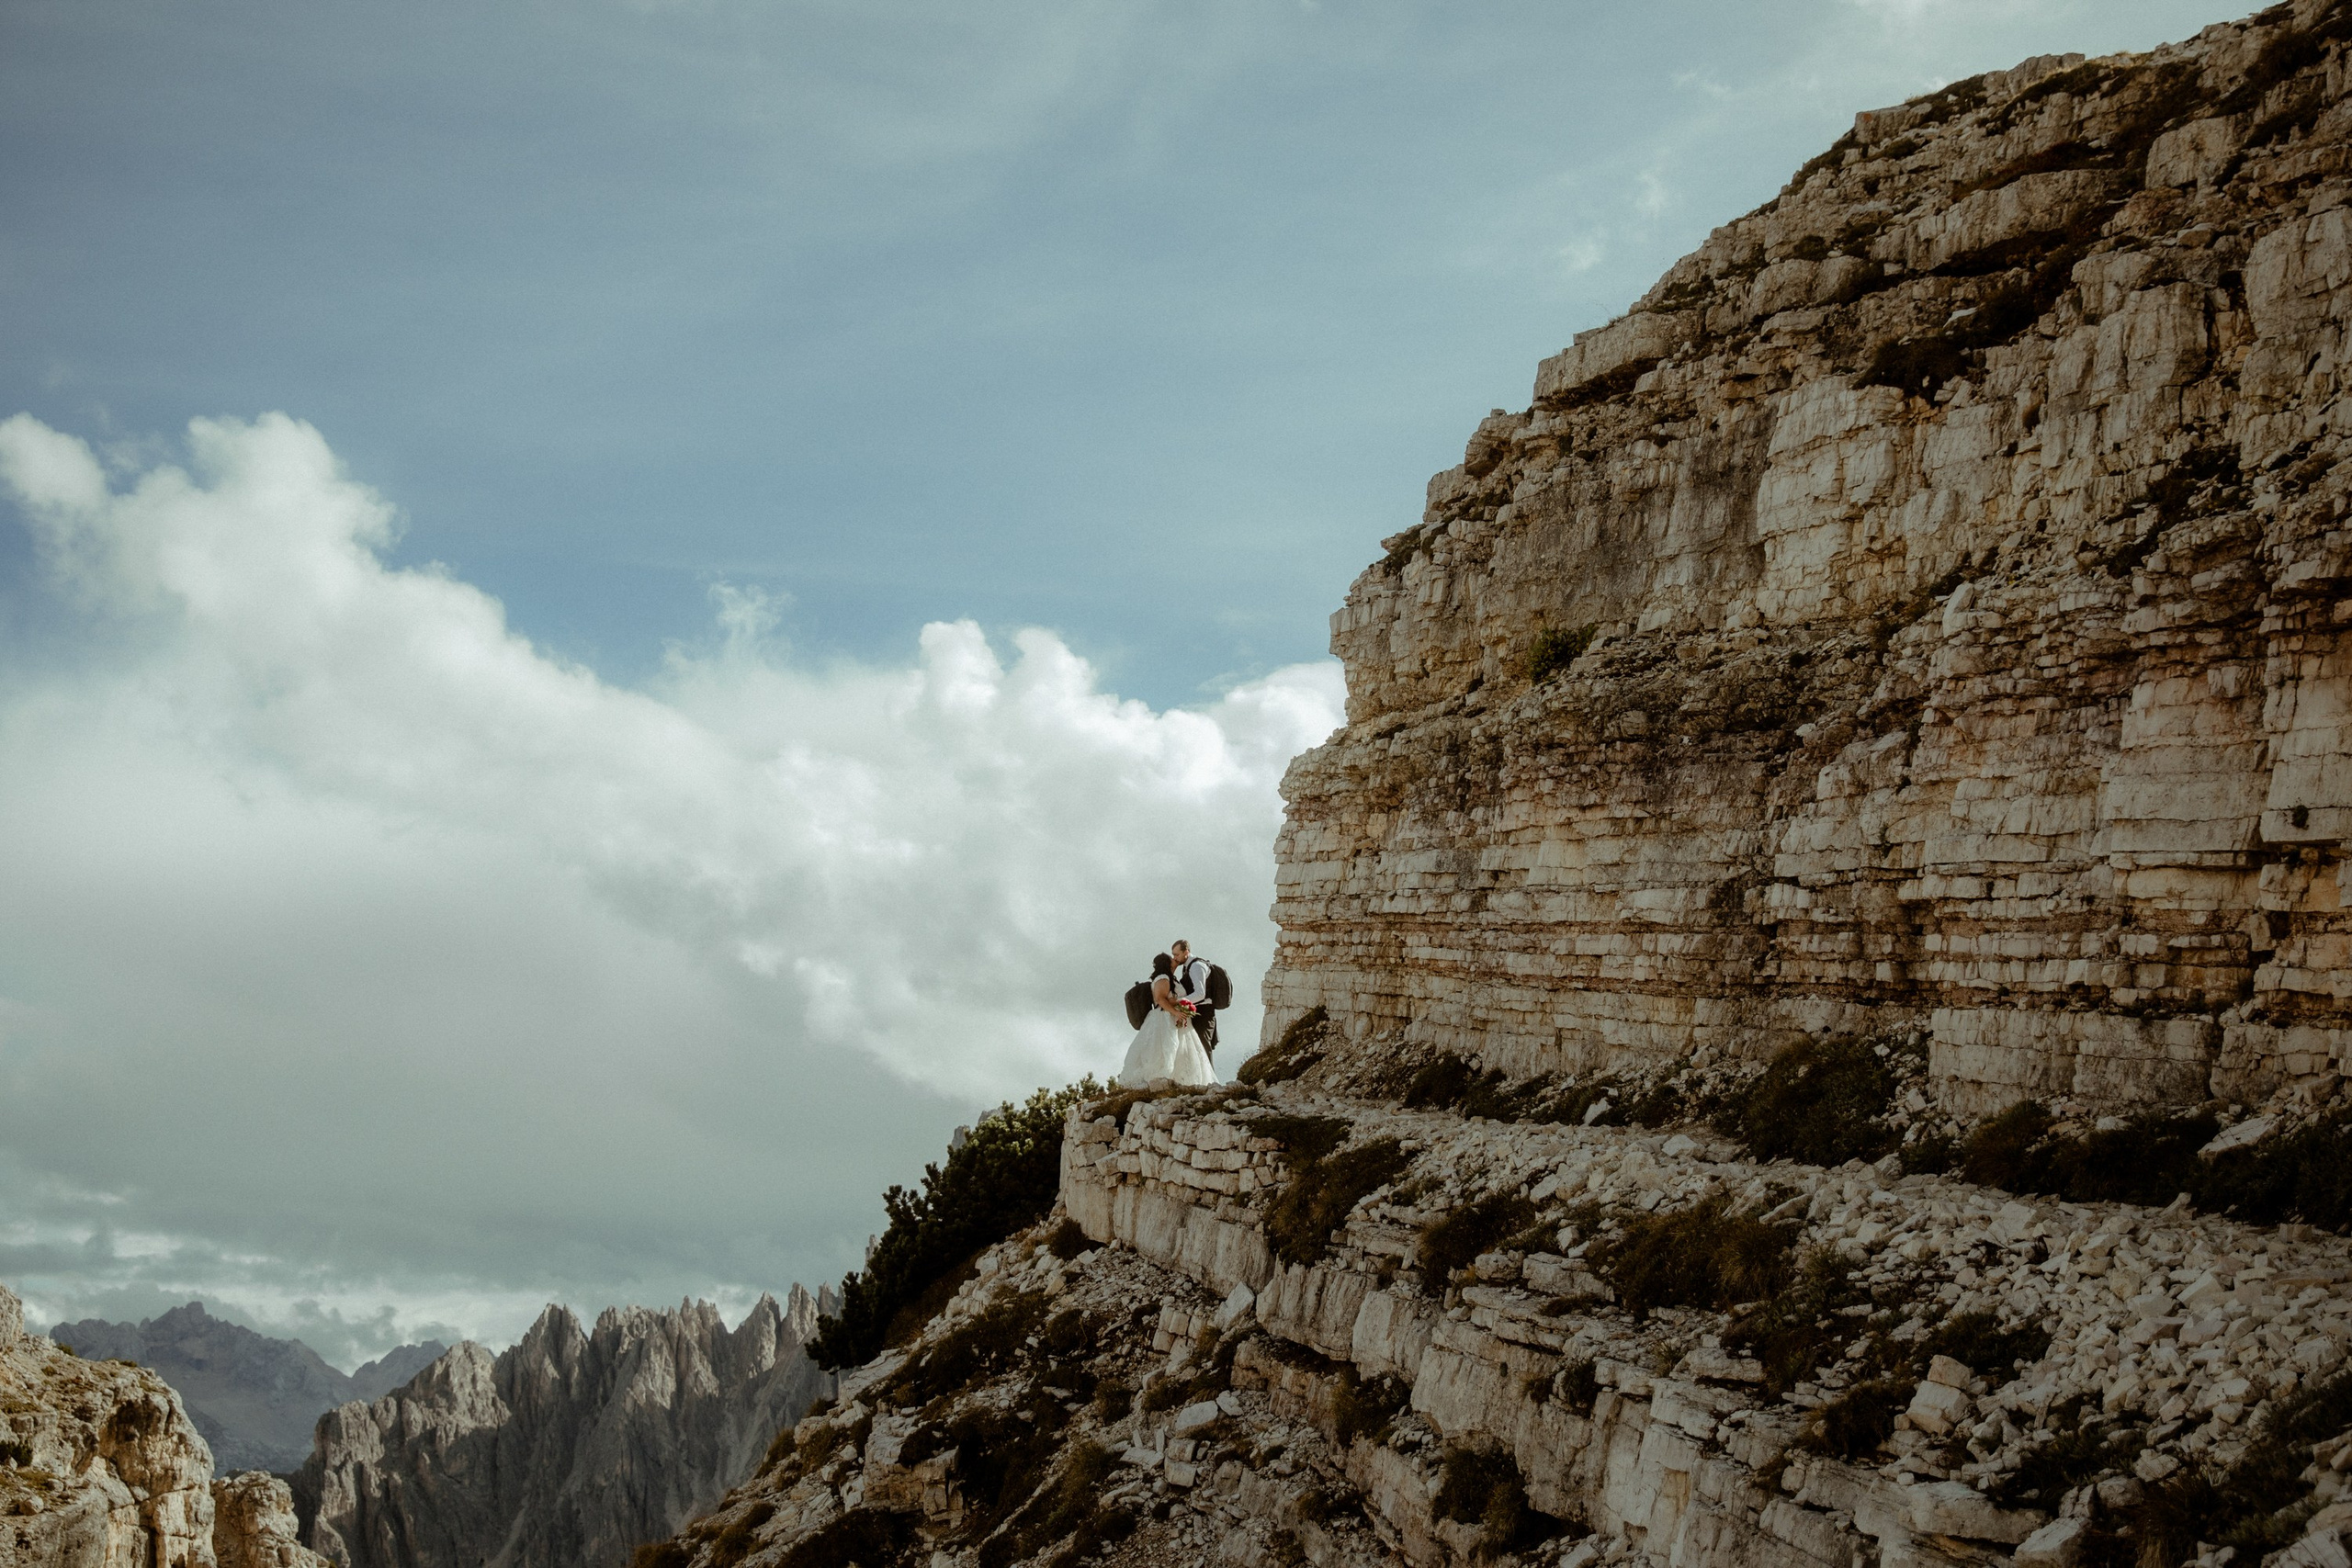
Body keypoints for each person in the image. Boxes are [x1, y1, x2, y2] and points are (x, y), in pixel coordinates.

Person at [1117, 953, 1216, 1089]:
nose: (1174, 959)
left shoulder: (1171, 978)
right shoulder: (1163, 978)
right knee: (1166, 1049)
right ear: (1166, 963)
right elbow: (1160, 999)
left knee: (1181, 1051)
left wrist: (1179, 1006)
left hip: (1175, 1018)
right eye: (1172, 958)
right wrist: (1176, 1012)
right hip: (1164, 1019)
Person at [1170, 939, 1217, 1057]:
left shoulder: (1196, 966)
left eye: (1177, 954)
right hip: (1197, 1011)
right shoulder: (1188, 967)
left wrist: (1177, 1002)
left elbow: (1200, 993)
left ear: (1186, 952)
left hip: (1203, 1013)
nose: (1175, 958)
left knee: (1203, 1049)